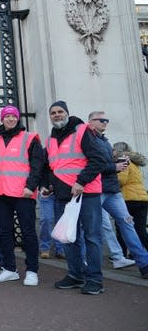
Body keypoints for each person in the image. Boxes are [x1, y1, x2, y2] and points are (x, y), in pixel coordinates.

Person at [43, 101, 106, 295]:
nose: (56, 115)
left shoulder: (82, 131)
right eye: (53, 113)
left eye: (60, 112)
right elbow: (51, 167)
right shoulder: (51, 139)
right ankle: (75, 275)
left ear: (67, 114)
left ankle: (95, 279)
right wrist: (49, 185)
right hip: (63, 196)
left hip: (87, 194)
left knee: (92, 237)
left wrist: (81, 181)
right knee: (69, 237)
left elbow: (99, 160)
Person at [0, 105, 44, 286]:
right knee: (4, 232)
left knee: (28, 233)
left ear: (18, 118)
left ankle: (32, 271)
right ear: (2, 119)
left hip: (23, 193)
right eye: (7, 116)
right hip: (1, 193)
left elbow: (37, 165)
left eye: (13, 116)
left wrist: (31, 186)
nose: (10, 119)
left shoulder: (30, 138)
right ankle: (9, 269)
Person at [88, 111, 148, 279]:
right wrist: (114, 166)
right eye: (102, 120)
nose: (105, 122)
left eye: (106, 120)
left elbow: (103, 164)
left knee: (127, 224)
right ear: (91, 122)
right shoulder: (88, 140)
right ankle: (87, 264)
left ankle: (144, 263)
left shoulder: (106, 141)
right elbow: (93, 165)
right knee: (93, 227)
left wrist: (117, 164)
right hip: (98, 190)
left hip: (113, 191)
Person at [114, 141, 148, 255]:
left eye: (113, 150)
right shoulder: (135, 163)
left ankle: (123, 254)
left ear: (118, 151)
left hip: (128, 199)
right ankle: (143, 251)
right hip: (142, 198)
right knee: (140, 229)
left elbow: (121, 180)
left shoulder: (123, 161)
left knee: (122, 228)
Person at [38, 187, 65, 259]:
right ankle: (44, 248)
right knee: (46, 219)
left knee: (61, 221)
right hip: (46, 192)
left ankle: (60, 248)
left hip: (63, 192)